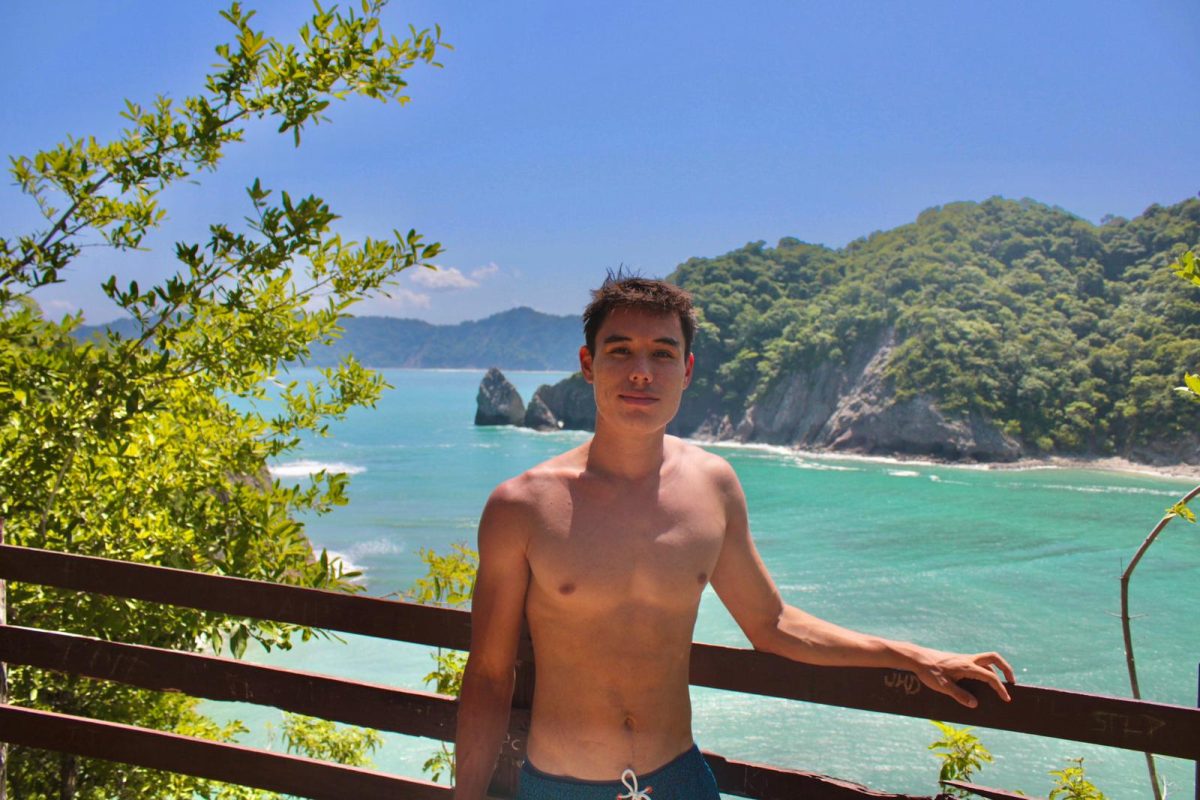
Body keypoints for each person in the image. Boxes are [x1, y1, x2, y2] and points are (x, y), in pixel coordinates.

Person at [453, 275, 1014, 800]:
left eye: (662, 353)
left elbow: (773, 624)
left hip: (681, 780)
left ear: (687, 370)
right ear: (588, 364)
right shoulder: (522, 506)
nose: (641, 372)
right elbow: (489, 676)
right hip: (563, 787)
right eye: (620, 350)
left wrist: (912, 655)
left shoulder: (712, 487)